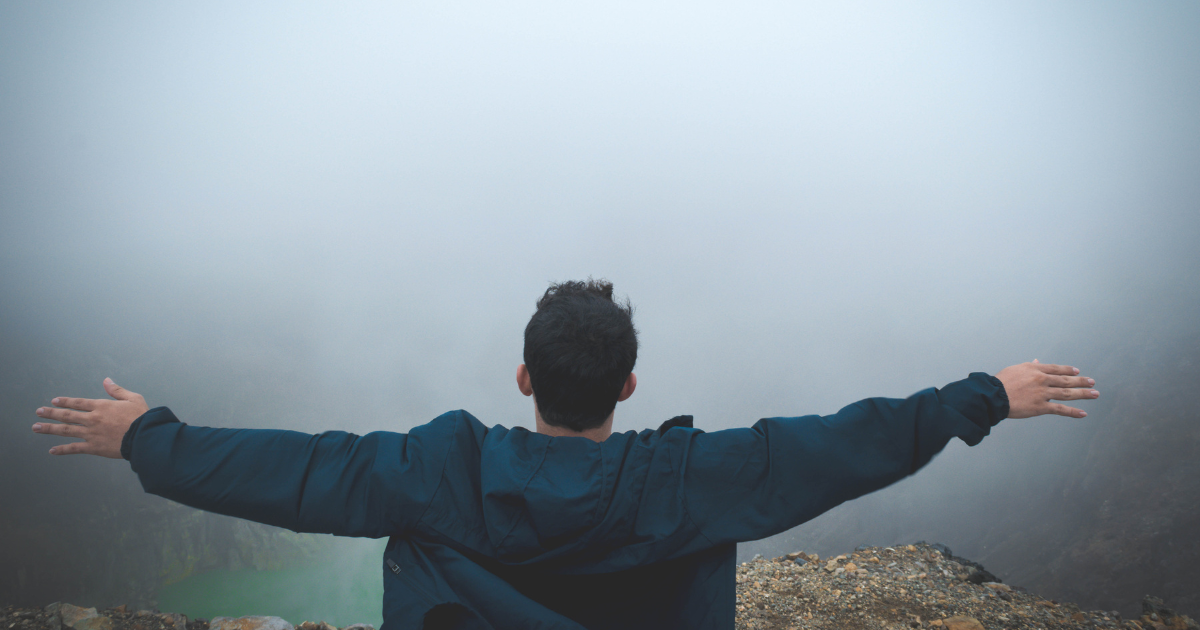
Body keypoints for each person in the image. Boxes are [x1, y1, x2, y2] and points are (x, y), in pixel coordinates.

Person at [31, 279, 1098, 630]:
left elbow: (301, 471)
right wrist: (984, 398)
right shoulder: (692, 479)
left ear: (523, 377)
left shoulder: (437, 468)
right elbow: (843, 446)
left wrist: (149, 441)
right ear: (630, 386)